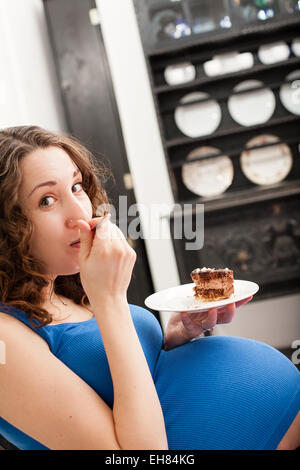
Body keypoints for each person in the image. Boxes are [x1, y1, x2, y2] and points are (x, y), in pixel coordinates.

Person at [0, 125, 299, 451]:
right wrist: (110, 299)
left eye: (76, 186)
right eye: (46, 200)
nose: (79, 213)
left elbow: (139, 382)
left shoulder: (66, 290)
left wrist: (175, 338)